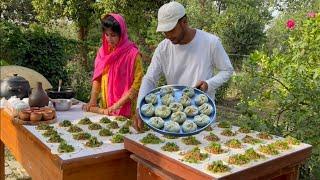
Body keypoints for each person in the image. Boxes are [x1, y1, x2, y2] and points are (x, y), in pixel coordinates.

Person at [134, 2, 234, 130]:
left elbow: (227, 70)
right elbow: (150, 78)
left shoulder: (210, 42)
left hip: (202, 116)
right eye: (165, 32)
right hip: (173, 119)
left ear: (184, 22)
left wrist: (209, 84)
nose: (168, 35)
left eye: (171, 30)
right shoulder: (163, 48)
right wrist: (139, 107)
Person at [83, 13, 143, 118]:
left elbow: (137, 85)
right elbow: (98, 77)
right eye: (107, 34)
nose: (109, 39)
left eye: (113, 35)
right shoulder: (103, 52)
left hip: (125, 109)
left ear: (122, 34)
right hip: (106, 107)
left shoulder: (133, 54)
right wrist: (93, 100)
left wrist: (117, 106)